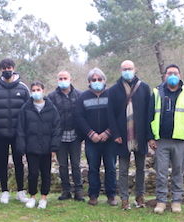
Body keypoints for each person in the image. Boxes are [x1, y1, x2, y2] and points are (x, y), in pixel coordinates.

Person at [149, 64, 184, 213]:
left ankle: (176, 202)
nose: (172, 76)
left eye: (175, 73)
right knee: (161, 173)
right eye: (169, 73)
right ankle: (161, 202)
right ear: (165, 76)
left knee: (178, 172)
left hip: (180, 140)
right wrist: (150, 137)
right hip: (161, 140)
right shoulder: (156, 93)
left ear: (180, 76)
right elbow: (149, 116)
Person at [109, 60, 153, 209]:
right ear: (120, 71)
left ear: (135, 70)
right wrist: (115, 134)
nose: (127, 71)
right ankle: (124, 199)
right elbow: (110, 114)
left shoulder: (145, 88)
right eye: (124, 69)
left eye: (130, 68)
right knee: (123, 170)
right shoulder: (114, 90)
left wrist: (149, 135)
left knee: (141, 168)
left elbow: (149, 113)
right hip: (122, 136)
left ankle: (140, 197)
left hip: (140, 135)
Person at [0, 58, 30, 204]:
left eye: (9, 67)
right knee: (2, 162)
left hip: (18, 133)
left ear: (14, 68)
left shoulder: (23, 88)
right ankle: (4, 191)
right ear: (0, 70)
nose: (7, 70)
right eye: (4, 68)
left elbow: (28, 111)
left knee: (19, 162)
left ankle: (20, 191)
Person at [76, 68, 117, 206]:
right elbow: (79, 117)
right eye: (94, 80)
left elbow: (117, 115)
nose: (97, 82)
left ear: (104, 80)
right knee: (93, 168)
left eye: (99, 79)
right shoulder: (83, 97)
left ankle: (111, 195)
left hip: (109, 139)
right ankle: (93, 195)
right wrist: (90, 133)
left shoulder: (112, 95)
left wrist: (108, 132)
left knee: (110, 167)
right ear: (89, 82)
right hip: (91, 140)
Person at [17, 82, 62, 209]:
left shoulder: (51, 108)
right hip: (31, 147)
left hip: (47, 147)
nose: (36, 92)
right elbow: (21, 129)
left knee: (46, 174)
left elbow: (56, 129)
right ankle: (32, 197)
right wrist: (22, 146)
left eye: (38, 89)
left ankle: (43, 198)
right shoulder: (25, 108)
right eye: (33, 90)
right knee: (32, 174)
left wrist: (54, 147)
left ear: (43, 91)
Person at [47, 70, 85, 202]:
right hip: (59, 136)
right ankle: (66, 190)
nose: (63, 80)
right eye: (60, 78)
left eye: (65, 78)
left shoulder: (80, 95)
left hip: (75, 135)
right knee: (62, 165)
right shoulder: (51, 97)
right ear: (57, 80)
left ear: (71, 79)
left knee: (76, 164)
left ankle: (78, 191)